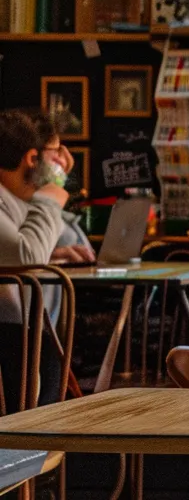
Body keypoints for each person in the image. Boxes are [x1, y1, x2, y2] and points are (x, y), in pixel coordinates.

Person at [0, 108, 76, 412]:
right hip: (9, 343)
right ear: (32, 158)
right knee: (39, 356)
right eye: (54, 155)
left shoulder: (12, 200)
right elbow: (26, 256)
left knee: (44, 354)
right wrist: (52, 193)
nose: (60, 162)